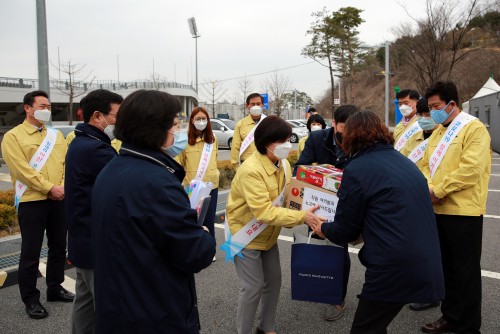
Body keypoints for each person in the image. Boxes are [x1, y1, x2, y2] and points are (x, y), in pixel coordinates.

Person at [91, 90, 215, 333]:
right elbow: (194, 252)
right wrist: (201, 233)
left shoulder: (112, 169)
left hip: (118, 306)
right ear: (156, 128)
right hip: (154, 312)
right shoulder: (157, 181)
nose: (177, 130)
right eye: (175, 124)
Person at [312, 110, 445, 334]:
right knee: (376, 324)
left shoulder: (358, 169)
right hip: (425, 259)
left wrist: (323, 228)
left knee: (365, 329)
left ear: (351, 137)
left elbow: (346, 228)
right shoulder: (404, 162)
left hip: (393, 265)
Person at [224, 115, 325, 334]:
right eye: (281, 141)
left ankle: (266, 326)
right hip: (245, 234)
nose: (287, 145)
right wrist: (303, 217)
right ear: (265, 142)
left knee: (273, 282)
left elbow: (288, 197)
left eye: (288, 139)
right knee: (252, 287)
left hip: (268, 235)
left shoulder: (285, 164)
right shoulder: (251, 170)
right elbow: (263, 212)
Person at [420, 81, 491, 334]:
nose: (433, 112)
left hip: (464, 212)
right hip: (437, 211)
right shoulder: (438, 131)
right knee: (446, 269)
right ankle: (450, 316)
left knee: (465, 271)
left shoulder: (474, 128)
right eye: (430, 108)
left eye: (436, 106)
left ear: (452, 103)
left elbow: (471, 169)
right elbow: (426, 165)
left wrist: (438, 191)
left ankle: (468, 326)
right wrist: (428, 188)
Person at [1, 90, 74, 319]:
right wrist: (49, 188)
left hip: (58, 199)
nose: (47, 110)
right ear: (28, 108)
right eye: (43, 105)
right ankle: (31, 299)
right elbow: (21, 170)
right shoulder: (13, 136)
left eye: (50, 106)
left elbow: (65, 164)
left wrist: (60, 187)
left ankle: (55, 287)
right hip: (32, 201)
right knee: (30, 252)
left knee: (58, 247)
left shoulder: (56, 136)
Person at [64, 89, 123, 334]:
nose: (119, 122)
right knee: (110, 308)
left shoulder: (81, 142)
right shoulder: (96, 150)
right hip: (97, 241)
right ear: (98, 116)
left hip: (83, 239)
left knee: (85, 303)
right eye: (117, 116)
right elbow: (123, 184)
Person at [294, 104, 358, 322]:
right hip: (317, 204)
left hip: (345, 205)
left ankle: (336, 297)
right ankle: (315, 282)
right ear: (334, 124)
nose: (348, 132)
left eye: (352, 127)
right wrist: (321, 176)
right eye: (343, 127)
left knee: (339, 248)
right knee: (315, 243)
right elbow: (300, 168)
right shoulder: (317, 138)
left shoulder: (359, 140)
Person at [176, 106, 219, 261]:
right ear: (192, 121)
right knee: (192, 220)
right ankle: (192, 248)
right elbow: (178, 163)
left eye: (203, 119)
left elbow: (215, 158)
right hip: (191, 187)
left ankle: (210, 250)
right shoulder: (184, 140)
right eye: (197, 119)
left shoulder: (213, 138)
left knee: (209, 220)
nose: (201, 122)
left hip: (211, 186)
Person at [230, 93, 265, 170]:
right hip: (246, 166)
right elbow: (235, 147)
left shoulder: (268, 123)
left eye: (258, 104)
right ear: (247, 106)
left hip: (265, 165)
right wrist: (237, 168)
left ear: (262, 105)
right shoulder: (240, 124)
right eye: (252, 104)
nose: (256, 106)